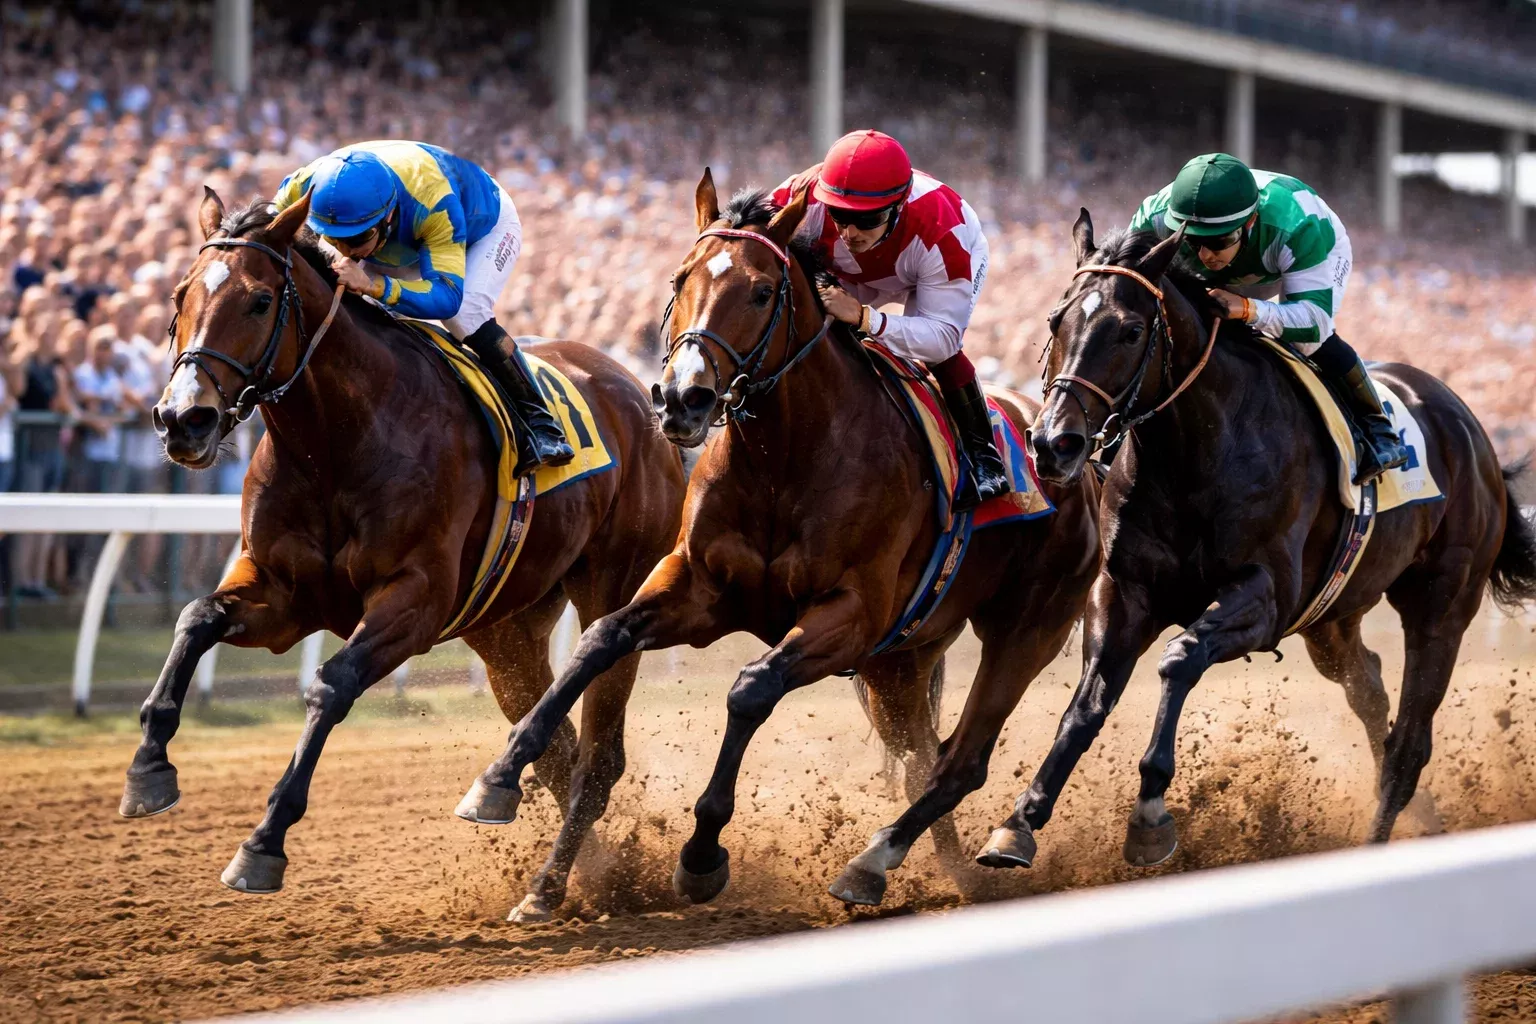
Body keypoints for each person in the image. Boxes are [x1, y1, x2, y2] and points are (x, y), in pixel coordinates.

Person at [272, 140, 573, 474]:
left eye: (355, 240)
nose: (345, 250)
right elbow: (270, 228)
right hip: (400, 237)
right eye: (333, 238)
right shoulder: (307, 185)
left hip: (479, 226)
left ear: (387, 216)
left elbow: (447, 297)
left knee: (464, 316)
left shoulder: (433, 203)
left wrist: (374, 285)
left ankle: (540, 422)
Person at [1129, 152, 1409, 483]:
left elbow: (1315, 321)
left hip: (1286, 260)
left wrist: (1248, 309)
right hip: (1247, 254)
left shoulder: (1299, 226)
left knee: (1306, 341)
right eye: (1193, 241)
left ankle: (1376, 427)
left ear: (1248, 222)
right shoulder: (1155, 218)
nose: (1204, 256)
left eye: (1217, 241)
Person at [771, 130, 1008, 510]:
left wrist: (867, 319)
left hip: (923, 265)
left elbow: (941, 338)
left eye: (866, 220)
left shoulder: (944, 234)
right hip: (846, 272)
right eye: (840, 215)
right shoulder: (801, 198)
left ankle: (984, 456)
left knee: (936, 356)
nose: (849, 232)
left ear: (897, 206)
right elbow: (752, 244)